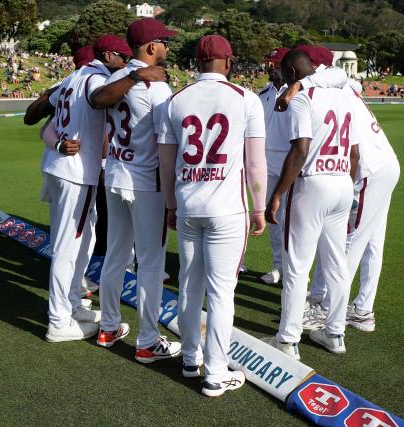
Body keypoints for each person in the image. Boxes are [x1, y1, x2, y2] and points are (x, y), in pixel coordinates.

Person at [158, 34, 267, 397]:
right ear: (228, 62)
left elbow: (166, 164)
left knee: (189, 285)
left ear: (196, 62)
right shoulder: (246, 99)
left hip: (188, 205)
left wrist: (171, 205)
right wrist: (260, 206)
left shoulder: (176, 100)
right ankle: (216, 373)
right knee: (222, 293)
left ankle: (191, 359)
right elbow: (255, 162)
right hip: (227, 209)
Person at [35, 35, 134, 343]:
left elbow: (43, 121)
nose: (126, 63)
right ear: (108, 56)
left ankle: (73, 305)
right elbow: (99, 99)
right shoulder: (95, 78)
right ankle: (58, 320)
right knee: (67, 247)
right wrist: (136, 76)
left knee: (82, 240)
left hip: (61, 167)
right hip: (76, 172)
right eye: (123, 57)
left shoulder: (72, 77)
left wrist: (59, 142)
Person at [262, 49, 360, 358]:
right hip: (342, 179)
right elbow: (355, 153)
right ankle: (335, 333)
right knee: (336, 264)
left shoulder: (303, 98)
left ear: (291, 72)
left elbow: (300, 150)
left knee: (296, 266)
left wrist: (277, 194)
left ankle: (288, 339)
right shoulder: (344, 96)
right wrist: (345, 182)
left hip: (312, 184)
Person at [97, 18, 182, 363]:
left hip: (116, 173)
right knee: (150, 262)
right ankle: (147, 341)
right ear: (150, 47)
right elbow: (168, 143)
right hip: (146, 181)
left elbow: (98, 100)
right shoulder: (156, 86)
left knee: (116, 255)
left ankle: (108, 326)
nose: (167, 46)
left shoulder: (116, 76)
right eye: (163, 41)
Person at [289, 74, 400, 333]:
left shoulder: (334, 88)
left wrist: (300, 84)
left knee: (350, 241)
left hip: (369, 171)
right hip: (386, 165)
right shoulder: (347, 90)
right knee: (372, 242)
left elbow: (336, 73)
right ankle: (362, 310)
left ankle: (328, 309)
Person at [258, 47, 289, 285]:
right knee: (273, 219)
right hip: (267, 164)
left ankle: (294, 271)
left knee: (294, 221)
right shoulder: (264, 93)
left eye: (275, 64)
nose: (271, 68)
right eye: (270, 64)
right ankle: (279, 266)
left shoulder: (299, 92)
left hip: (291, 164)